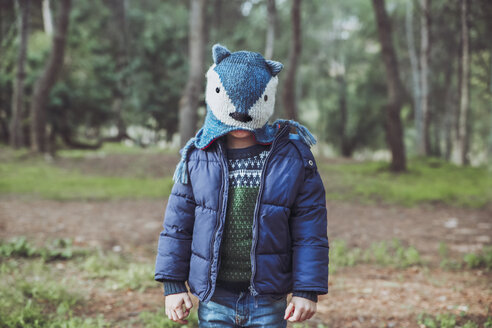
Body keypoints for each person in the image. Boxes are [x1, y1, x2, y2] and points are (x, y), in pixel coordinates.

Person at [154, 44, 329, 327]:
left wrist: (306, 289)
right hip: (214, 298)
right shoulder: (198, 155)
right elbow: (177, 225)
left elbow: (310, 228)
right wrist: (173, 284)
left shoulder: (293, 157)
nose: (241, 115)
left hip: (268, 299)